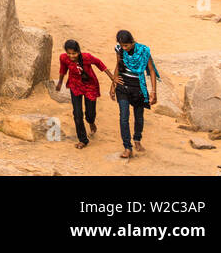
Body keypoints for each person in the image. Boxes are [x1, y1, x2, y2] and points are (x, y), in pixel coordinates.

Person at [54, 39, 113, 149]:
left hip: (90, 86)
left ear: (79, 51)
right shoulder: (64, 58)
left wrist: (112, 77)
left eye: (74, 53)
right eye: (69, 53)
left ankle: (91, 121)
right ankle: (83, 139)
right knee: (77, 113)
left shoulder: (86, 57)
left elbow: (99, 63)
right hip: (75, 85)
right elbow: (63, 70)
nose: (71, 56)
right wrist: (60, 83)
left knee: (90, 113)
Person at [111, 29, 159, 159]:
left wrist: (153, 92)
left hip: (138, 88)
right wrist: (113, 83)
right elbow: (118, 65)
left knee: (139, 117)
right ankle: (127, 147)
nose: (124, 48)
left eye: (126, 45)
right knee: (124, 117)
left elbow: (151, 70)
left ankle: (137, 138)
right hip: (123, 87)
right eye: (122, 45)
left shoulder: (143, 51)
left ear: (132, 42)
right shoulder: (119, 49)